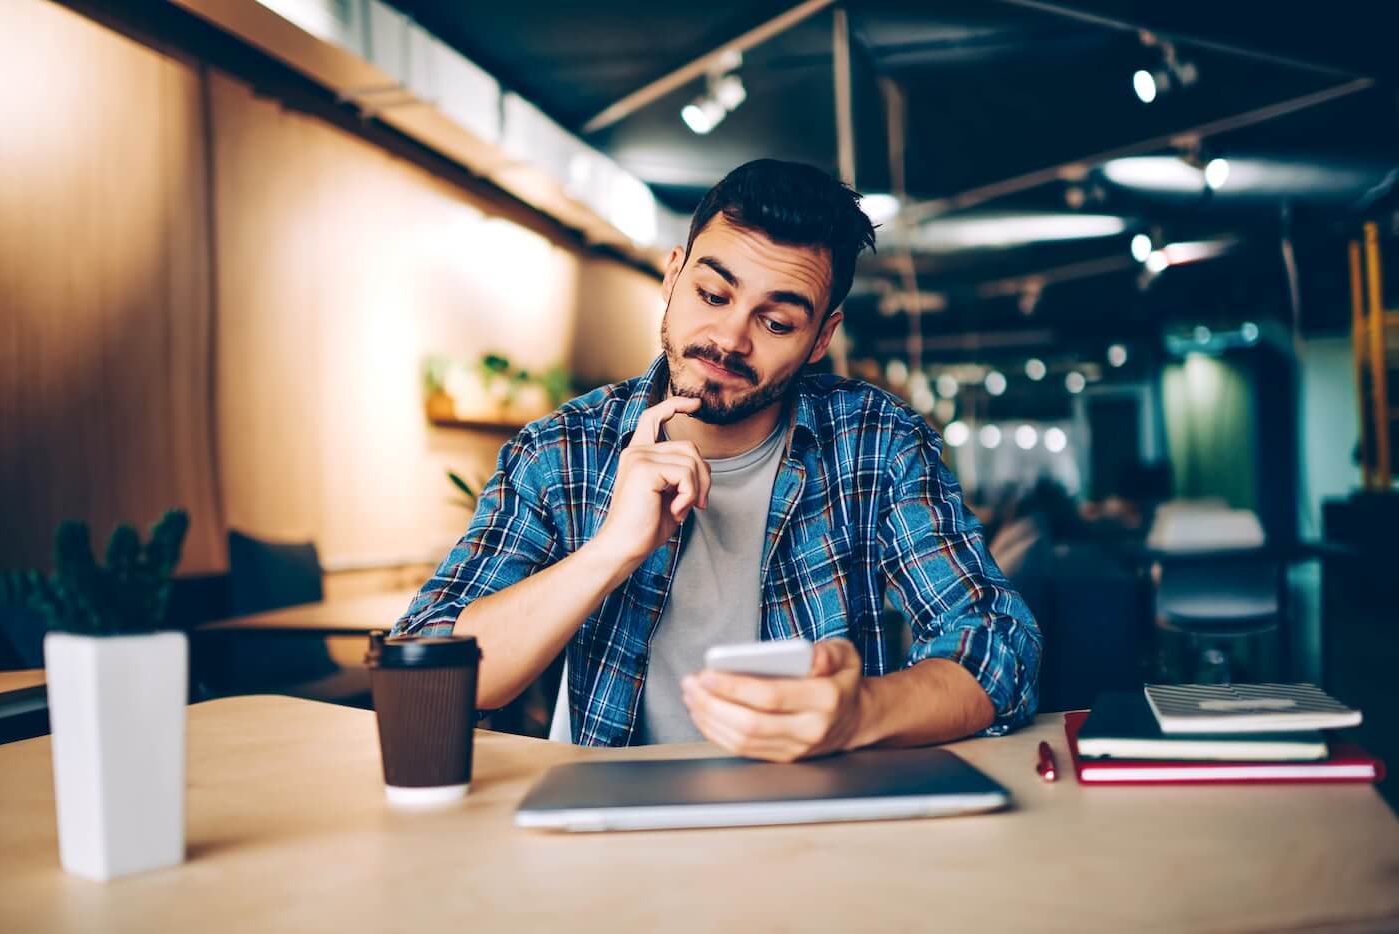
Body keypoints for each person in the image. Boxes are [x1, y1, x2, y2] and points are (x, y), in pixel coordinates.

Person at [394, 159, 1041, 761]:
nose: (730, 339)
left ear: (822, 338)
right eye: (712, 294)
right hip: (620, 832)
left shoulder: (877, 444)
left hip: (822, 832)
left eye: (778, 323)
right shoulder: (563, 451)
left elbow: (999, 649)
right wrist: (609, 551)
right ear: (673, 277)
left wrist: (861, 712)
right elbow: (429, 667)